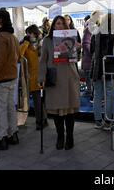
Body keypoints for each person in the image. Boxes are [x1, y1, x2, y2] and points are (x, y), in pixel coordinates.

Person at [39, 15, 80, 150]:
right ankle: (60, 136)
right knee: (57, 110)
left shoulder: (71, 37)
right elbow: (43, 60)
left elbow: (75, 57)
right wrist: (41, 77)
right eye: (57, 24)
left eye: (62, 23)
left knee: (69, 110)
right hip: (55, 78)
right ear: (53, 26)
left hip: (69, 77)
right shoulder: (47, 40)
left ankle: (70, 137)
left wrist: (77, 47)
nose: (60, 26)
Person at [0, 9, 21, 151]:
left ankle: (2, 138)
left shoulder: (0, 37)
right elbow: (17, 56)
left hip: (1, 77)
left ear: (0, 20)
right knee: (10, 107)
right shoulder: (12, 36)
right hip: (11, 76)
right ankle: (13, 135)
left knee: (1, 109)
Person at [90, 13, 114, 130]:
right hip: (110, 67)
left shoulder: (96, 33)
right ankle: (108, 121)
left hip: (96, 67)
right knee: (109, 95)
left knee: (97, 94)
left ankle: (98, 121)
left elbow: (92, 50)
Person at [20, 25, 47, 130]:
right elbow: (19, 54)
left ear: (34, 33)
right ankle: (40, 120)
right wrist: (26, 43)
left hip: (42, 75)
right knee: (37, 100)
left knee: (41, 100)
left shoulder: (42, 43)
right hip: (32, 77)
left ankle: (41, 120)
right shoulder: (26, 45)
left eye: (29, 33)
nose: (27, 35)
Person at [81, 15, 92, 96]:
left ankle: (90, 92)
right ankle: (90, 92)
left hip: (88, 60)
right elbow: (86, 45)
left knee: (89, 78)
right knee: (89, 78)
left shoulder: (88, 32)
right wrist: (93, 54)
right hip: (89, 60)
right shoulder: (88, 32)